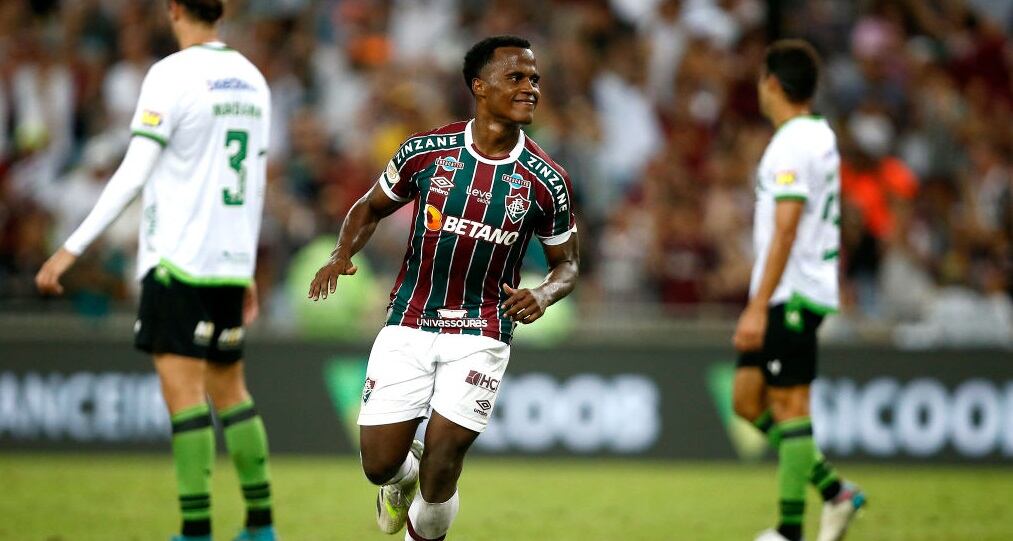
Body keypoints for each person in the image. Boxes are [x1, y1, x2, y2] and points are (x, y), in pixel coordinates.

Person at [308, 35, 579, 541]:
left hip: (484, 330)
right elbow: (369, 208)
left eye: (535, 80)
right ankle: (397, 481)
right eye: (516, 78)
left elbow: (568, 266)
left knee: (444, 462)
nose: (530, 88)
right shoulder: (425, 152)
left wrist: (542, 293)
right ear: (480, 86)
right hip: (410, 320)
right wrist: (341, 253)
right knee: (379, 464)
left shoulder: (546, 180)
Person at [35, 1, 276, 540]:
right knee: (231, 390)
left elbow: (133, 171)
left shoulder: (171, 75)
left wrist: (70, 248)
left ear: (172, 10)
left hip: (177, 261)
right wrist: (247, 265)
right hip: (228, 264)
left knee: (184, 394)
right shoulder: (253, 80)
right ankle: (261, 527)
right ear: (222, 10)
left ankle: (195, 531)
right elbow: (252, 181)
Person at [731, 40, 866, 541]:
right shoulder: (819, 136)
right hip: (789, 289)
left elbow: (786, 228)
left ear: (772, 83)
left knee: (789, 409)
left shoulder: (791, 143)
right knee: (747, 400)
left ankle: (789, 531)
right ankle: (836, 492)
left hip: (791, 294)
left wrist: (758, 306)